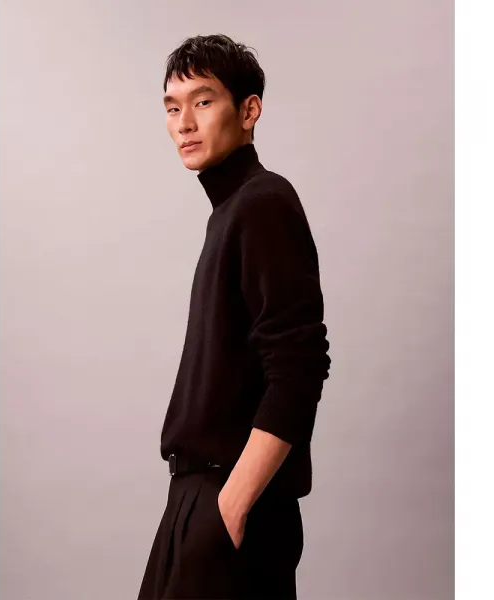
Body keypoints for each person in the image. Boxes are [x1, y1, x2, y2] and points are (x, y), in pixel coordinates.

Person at [137, 33, 331, 600]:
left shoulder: (263, 202)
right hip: (199, 497)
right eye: (172, 107)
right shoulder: (231, 211)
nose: (184, 123)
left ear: (249, 111)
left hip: (230, 498)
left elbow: (299, 367)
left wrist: (232, 505)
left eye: (203, 101)